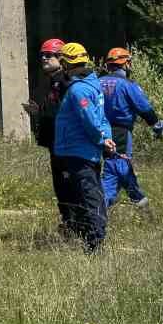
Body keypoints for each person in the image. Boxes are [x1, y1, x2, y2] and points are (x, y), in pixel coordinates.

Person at [51, 43, 117, 252]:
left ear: (67, 63)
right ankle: (88, 236)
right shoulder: (93, 85)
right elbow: (102, 117)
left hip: (77, 152)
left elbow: (89, 119)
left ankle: (95, 242)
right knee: (86, 194)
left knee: (87, 196)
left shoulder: (78, 90)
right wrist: (106, 137)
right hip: (83, 152)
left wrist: (101, 139)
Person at [99, 47, 163, 210]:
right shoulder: (127, 84)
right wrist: (156, 126)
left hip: (98, 131)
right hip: (120, 131)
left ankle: (106, 203)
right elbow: (144, 108)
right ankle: (137, 199)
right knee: (118, 165)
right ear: (126, 63)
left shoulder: (97, 82)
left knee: (111, 165)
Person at [27, 39, 71, 233]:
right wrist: (39, 110)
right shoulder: (54, 80)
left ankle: (74, 223)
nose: (44, 59)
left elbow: (62, 111)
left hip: (65, 144)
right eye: (42, 55)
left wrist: (41, 112)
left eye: (49, 55)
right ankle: (68, 222)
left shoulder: (64, 80)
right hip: (56, 143)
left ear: (61, 58)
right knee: (60, 186)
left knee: (67, 185)